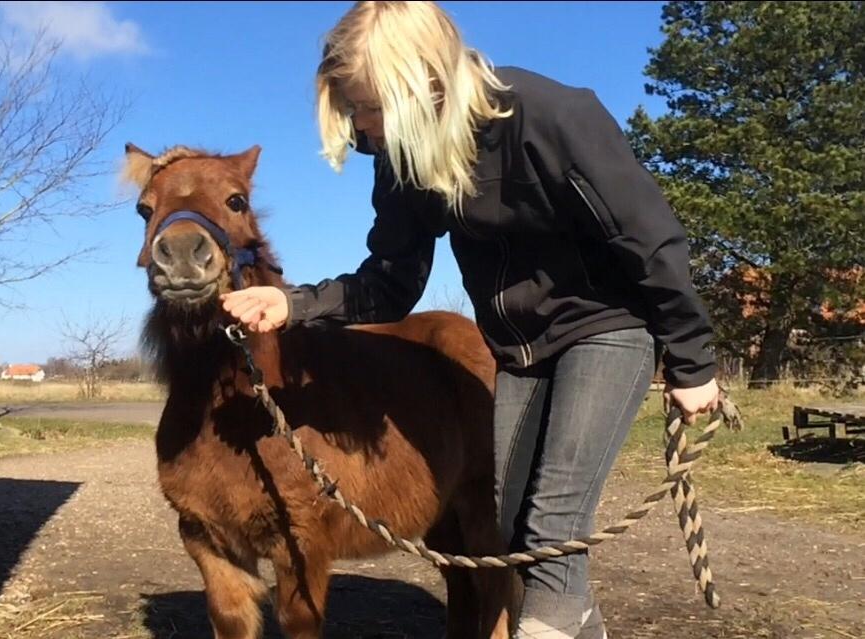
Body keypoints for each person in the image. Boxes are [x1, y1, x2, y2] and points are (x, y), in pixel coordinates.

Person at [221, 2, 720, 637]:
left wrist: (693, 359)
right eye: (351, 111)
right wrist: (294, 305)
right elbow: (390, 281)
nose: (360, 128)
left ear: (419, 82)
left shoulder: (552, 116)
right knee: (510, 527)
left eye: (367, 107)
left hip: (606, 330)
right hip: (519, 351)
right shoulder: (403, 159)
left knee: (552, 531)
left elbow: (650, 242)